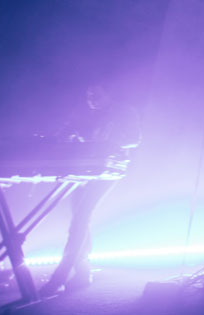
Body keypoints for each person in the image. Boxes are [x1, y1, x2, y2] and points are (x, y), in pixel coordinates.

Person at [41, 84, 141, 296]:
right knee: (79, 219)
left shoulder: (124, 112)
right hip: (85, 169)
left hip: (110, 168)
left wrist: (111, 145)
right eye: (88, 96)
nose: (92, 99)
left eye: (97, 95)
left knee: (80, 218)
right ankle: (83, 273)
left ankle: (59, 276)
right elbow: (74, 135)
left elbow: (134, 140)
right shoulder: (86, 115)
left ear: (109, 94)